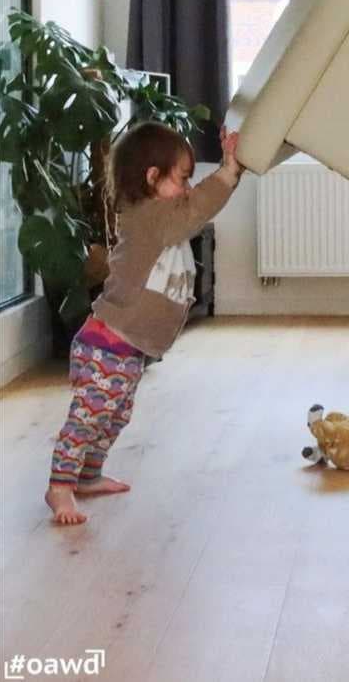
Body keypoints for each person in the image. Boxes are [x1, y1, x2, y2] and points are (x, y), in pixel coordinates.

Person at [45, 123, 245, 525]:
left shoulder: (161, 219)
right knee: (89, 415)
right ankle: (59, 486)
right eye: (182, 178)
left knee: (114, 416)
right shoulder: (148, 217)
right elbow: (196, 209)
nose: (188, 188)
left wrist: (229, 171)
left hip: (129, 349)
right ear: (152, 177)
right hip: (105, 344)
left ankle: (88, 476)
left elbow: (193, 209)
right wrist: (227, 172)